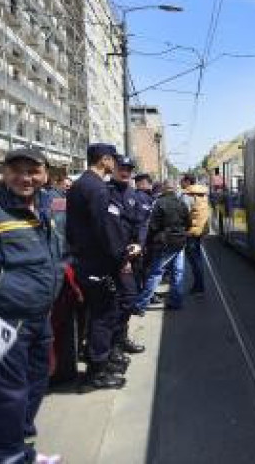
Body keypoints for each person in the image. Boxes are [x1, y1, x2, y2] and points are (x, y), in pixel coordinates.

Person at [0, 148, 64, 463]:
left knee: (34, 387)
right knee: (4, 400)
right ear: (3, 173)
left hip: (39, 317)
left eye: (33, 170)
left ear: (45, 173)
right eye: (16, 170)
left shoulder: (46, 206)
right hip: (2, 324)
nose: (25, 177)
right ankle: (5, 456)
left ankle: (22, 451)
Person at [66, 143, 131, 390]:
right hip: (98, 264)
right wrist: (122, 257)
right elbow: (105, 230)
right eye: (113, 159)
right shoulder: (96, 188)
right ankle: (96, 374)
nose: (115, 163)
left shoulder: (82, 184)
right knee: (103, 316)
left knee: (99, 315)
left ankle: (100, 363)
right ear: (104, 160)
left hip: (86, 260)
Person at [106, 156, 146, 370]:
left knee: (130, 299)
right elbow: (109, 228)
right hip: (116, 258)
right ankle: (113, 347)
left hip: (133, 255)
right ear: (113, 168)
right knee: (122, 300)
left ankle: (121, 338)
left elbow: (140, 222)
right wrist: (123, 256)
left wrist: (139, 243)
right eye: (122, 168)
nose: (125, 172)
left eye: (128, 169)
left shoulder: (133, 194)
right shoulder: (105, 192)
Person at [134, 181, 190, 311]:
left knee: (156, 273)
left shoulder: (159, 203)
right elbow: (188, 223)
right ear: (174, 189)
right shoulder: (181, 203)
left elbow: (153, 226)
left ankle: (140, 305)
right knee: (178, 272)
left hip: (164, 243)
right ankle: (176, 302)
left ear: (164, 189)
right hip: (180, 242)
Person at [184, 184, 210, 295]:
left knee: (194, 260)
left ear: (187, 182)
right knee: (197, 259)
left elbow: (185, 214)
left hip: (191, 232)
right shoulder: (203, 196)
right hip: (199, 231)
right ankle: (199, 285)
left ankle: (199, 287)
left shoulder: (190, 197)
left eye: (182, 182)